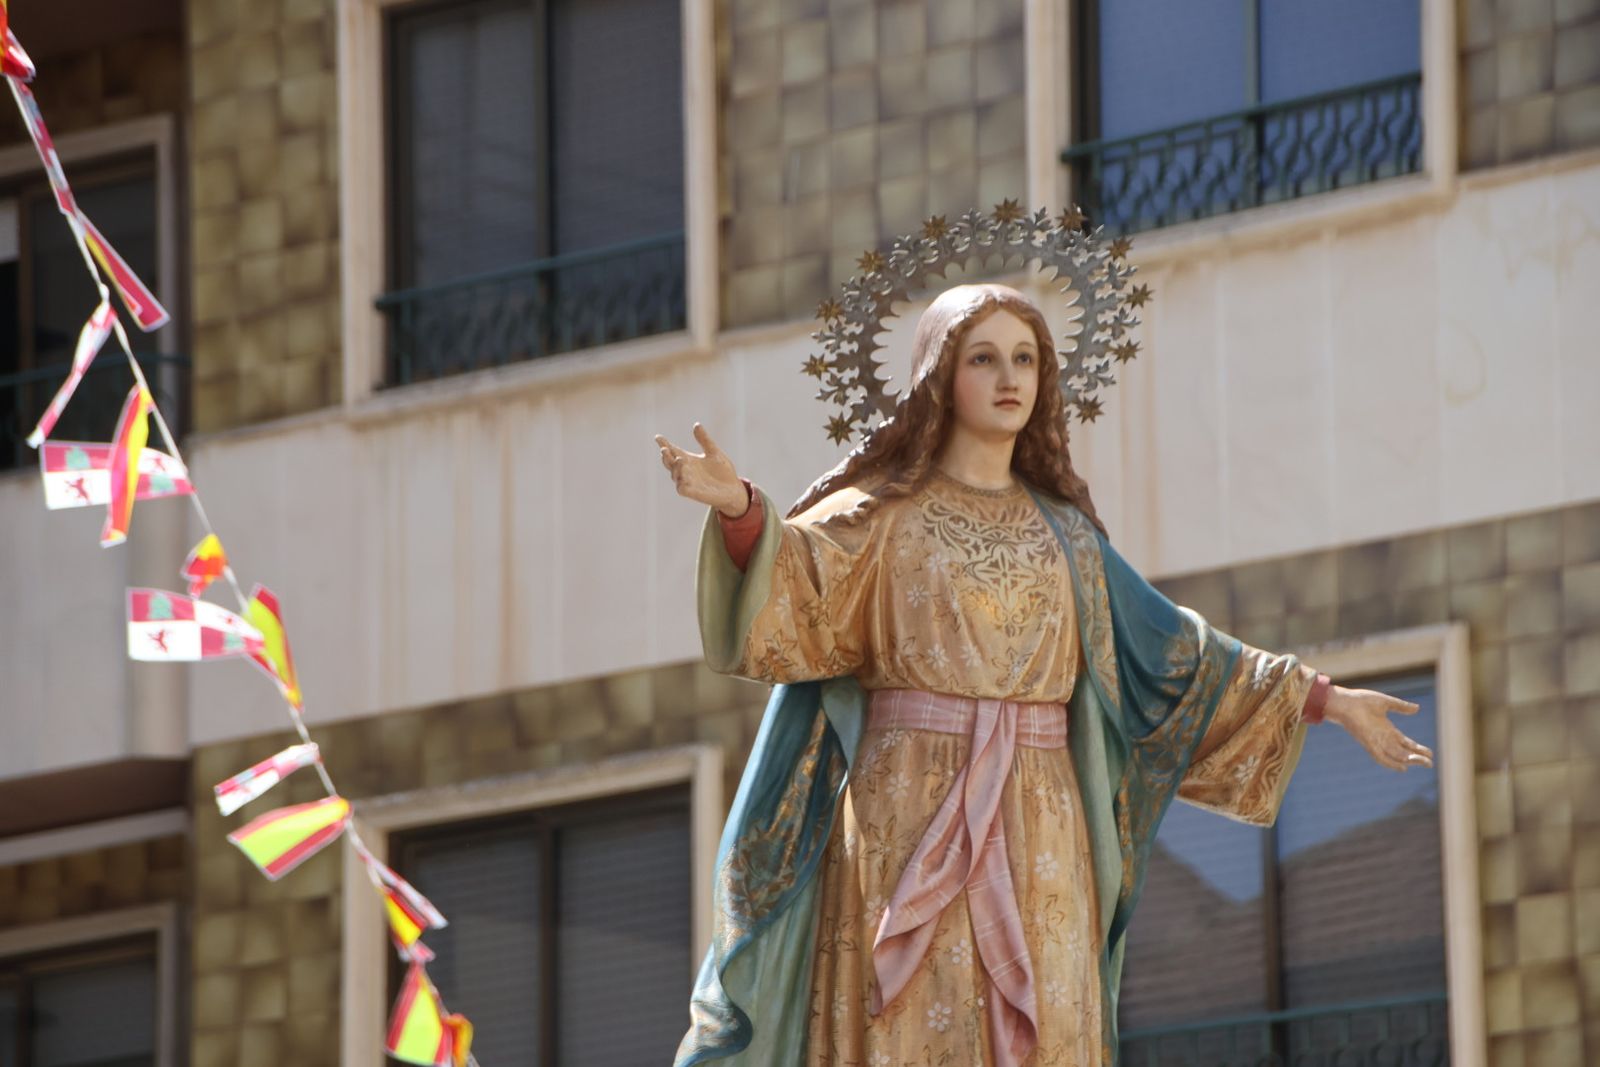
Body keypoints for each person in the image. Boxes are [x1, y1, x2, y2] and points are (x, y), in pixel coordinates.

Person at [656, 283, 1433, 1067]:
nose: (1009, 378)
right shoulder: (881, 514)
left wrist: (1325, 699)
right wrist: (741, 511)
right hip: (907, 811)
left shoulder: (1069, 539)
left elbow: (1174, 655)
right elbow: (795, 593)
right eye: (984, 358)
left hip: (1043, 824)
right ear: (940, 378)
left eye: (1025, 359)